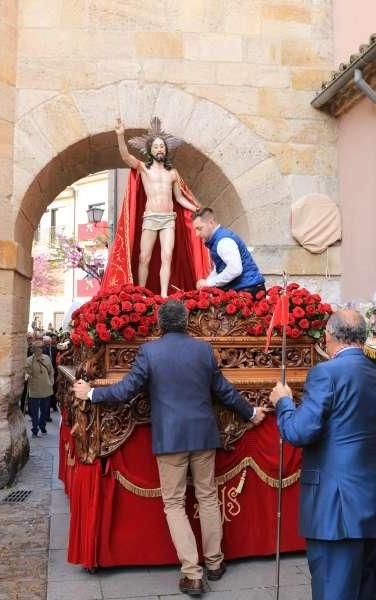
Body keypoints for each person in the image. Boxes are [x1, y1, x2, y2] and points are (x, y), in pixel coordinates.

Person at [73, 299, 269, 596]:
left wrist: (91, 394)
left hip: (171, 440)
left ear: (159, 323)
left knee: (175, 504)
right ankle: (215, 563)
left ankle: (192, 574)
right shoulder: (203, 349)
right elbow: (225, 391)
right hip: (204, 436)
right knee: (207, 497)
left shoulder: (150, 351)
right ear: (188, 320)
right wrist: (252, 413)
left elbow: (127, 390)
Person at [269, 309, 376, 600]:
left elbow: (300, 432)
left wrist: (284, 404)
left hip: (335, 508)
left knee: (334, 590)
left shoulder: (325, 372)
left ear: (329, 337)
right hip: (370, 502)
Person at [114, 117, 198, 297]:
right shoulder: (144, 168)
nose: (159, 149)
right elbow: (125, 157)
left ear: (166, 150)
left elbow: (179, 198)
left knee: (166, 256)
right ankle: (142, 293)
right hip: (151, 217)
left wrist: (195, 208)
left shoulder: (173, 173)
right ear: (150, 151)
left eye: (162, 146)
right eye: (156, 147)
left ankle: (164, 295)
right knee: (144, 257)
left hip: (169, 219)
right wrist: (121, 136)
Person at [192, 207, 266, 296]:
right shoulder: (217, 239)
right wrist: (206, 283)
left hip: (249, 290)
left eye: (199, 228)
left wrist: (209, 283)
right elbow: (220, 267)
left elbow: (235, 269)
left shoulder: (223, 241)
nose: (197, 234)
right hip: (247, 288)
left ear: (211, 223)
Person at [25, 340, 54, 438]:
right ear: (33, 349)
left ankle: (42, 425)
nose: (40, 349)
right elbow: (26, 371)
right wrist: (26, 375)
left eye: (41, 347)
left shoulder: (47, 358)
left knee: (45, 411)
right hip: (34, 389)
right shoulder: (28, 360)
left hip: (46, 388)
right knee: (34, 412)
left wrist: (51, 382)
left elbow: (51, 372)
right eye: (37, 348)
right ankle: (34, 429)